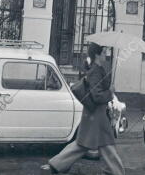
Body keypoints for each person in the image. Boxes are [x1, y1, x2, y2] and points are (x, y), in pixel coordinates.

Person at [41, 42, 125, 175]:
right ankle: (115, 172)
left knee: (83, 145)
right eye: (103, 52)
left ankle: (56, 164)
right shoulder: (96, 71)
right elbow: (97, 96)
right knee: (106, 144)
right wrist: (110, 92)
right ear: (97, 54)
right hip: (97, 116)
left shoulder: (96, 68)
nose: (106, 55)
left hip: (93, 114)